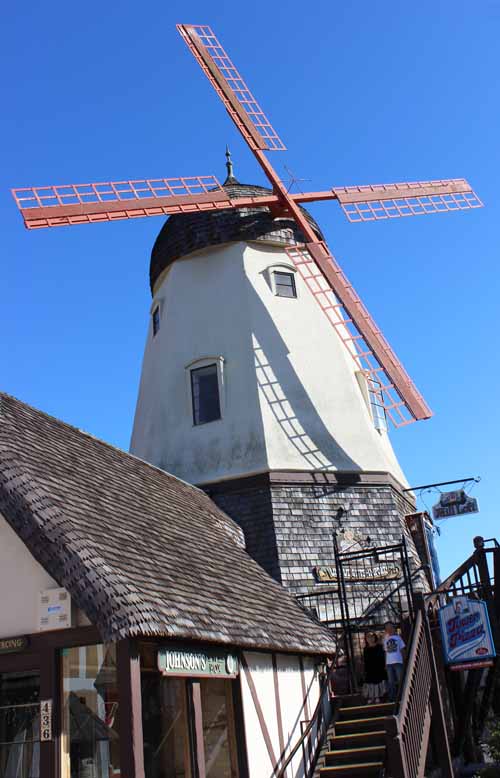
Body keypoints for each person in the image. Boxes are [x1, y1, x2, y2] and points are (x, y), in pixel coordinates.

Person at [362, 632, 387, 704]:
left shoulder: (380, 646)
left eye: (372, 636)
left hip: (379, 667)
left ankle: (377, 697)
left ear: (375, 637)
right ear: (366, 639)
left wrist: (384, 665)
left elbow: (383, 657)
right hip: (369, 668)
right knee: (370, 682)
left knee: (378, 681)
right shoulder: (365, 649)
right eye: (368, 637)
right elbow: (365, 660)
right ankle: (371, 697)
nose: (370, 638)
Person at [383, 622, 405, 701]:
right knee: (391, 681)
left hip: (398, 661)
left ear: (393, 628)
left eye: (390, 627)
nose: (389, 629)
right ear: (386, 630)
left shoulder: (398, 638)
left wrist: (404, 660)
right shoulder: (385, 640)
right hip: (389, 663)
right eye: (387, 628)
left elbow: (402, 650)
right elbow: (386, 652)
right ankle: (392, 697)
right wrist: (385, 663)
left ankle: (402, 695)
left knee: (400, 679)